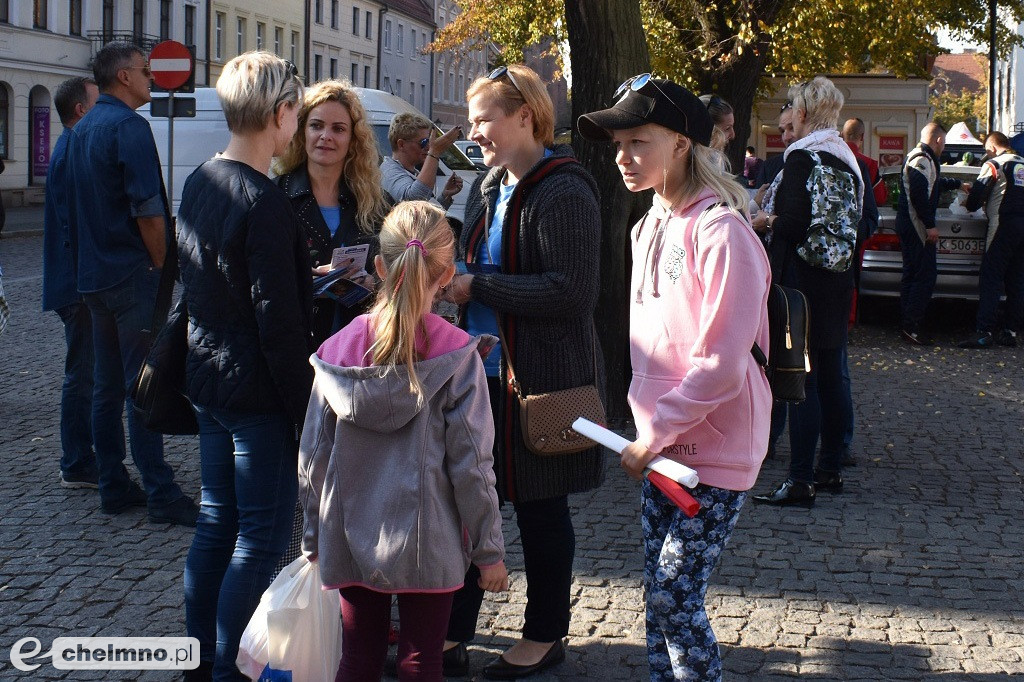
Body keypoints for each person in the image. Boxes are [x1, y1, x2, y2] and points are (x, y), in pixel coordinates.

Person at [578, 74, 772, 682]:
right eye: (617, 143)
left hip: (710, 450)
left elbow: (719, 365)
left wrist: (652, 431)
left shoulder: (723, 234)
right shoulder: (646, 228)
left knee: (673, 598)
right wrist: (648, 430)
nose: (623, 156)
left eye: (638, 140)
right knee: (656, 605)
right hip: (659, 449)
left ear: (682, 142)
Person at [300, 200, 507, 682]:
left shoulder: (334, 351)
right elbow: (473, 464)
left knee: (356, 660)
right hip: (429, 538)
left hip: (348, 531)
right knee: (422, 661)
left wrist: (313, 537)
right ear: (448, 274)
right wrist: (488, 550)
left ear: (377, 265)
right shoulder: (458, 355)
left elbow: (312, 458)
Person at [442, 64, 604, 679]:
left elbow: (572, 292)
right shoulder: (491, 185)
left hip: (540, 379)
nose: (473, 131)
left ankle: (544, 634)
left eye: (483, 119)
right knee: (465, 502)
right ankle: (451, 632)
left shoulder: (565, 190)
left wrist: (477, 284)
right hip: (479, 375)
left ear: (526, 118)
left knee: (539, 508)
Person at [177, 52, 313, 682]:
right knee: (257, 541)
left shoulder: (201, 178)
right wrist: (305, 404)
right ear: (281, 114)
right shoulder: (265, 200)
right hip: (255, 392)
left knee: (215, 523)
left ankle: (198, 662)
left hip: (208, 379)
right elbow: (276, 322)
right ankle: (230, 671)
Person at [64, 42, 196, 525]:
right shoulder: (129, 128)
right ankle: (161, 491)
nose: (150, 78)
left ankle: (114, 486)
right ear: (123, 76)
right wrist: (162, 267)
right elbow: (149, 213)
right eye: (144, 70)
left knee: (105, 388)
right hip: (132, 275)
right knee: (145, 383)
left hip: (94, 276)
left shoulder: (81, 130)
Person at [751, 76, 864, 507]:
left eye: (788, 112)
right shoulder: (844, 158)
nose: (785, 122)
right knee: (832, 376)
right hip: (837, 279)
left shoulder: (801, 159)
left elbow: (794, 224)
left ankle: (800, 480)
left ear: (801, 112)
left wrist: (766, 219)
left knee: (802, 380)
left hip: (800, 285)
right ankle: (830, 468)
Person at [275, 79, 389, 344]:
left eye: (338, 129)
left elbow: (399, 271)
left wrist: (375, 282)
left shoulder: (375, 202)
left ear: (353, 139)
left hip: (360, 344)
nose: (325, 136)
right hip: (298, 343)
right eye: (316, 125)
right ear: (302, 131)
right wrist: (308, 280)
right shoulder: (277, 196)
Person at [42, 76, 100, 490]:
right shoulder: (71, 150)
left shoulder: (71, 146)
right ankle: (77, 461)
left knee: (87, 372)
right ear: (81, 110)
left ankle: (82, 456)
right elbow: (71, 227)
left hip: (77, 282)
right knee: (82, 374)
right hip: (77, 286)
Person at [894, 122, 961, 346]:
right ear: (939, 140)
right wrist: (930, 225)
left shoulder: (924, 159)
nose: (944, 147)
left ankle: (908, 325)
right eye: (945, 142)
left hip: (911, 222)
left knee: (913, 274)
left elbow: (933, 183)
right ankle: (911, 326)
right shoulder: (922, 159)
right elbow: (919, 194)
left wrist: (959, 184)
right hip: (916, 225)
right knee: (924, 276)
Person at [958, 131, 1024, 349]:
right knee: (1016, 279)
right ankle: (1010, 331)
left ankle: (984, 331)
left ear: (993, 147)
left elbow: (976, 199)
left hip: (1002, 225)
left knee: (991, 277)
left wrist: (968, 201)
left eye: (987, 151)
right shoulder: (1022, 163)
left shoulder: (994, 164)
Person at [381, 113, 463, 209]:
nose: (428, 147)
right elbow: (413, 203)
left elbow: (425, 215)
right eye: (423, 142)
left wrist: (445, 196)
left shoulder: (409, 171)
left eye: (429, 142)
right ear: (401, 144)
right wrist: (435, 152)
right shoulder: (389, 172)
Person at [842, 117, 888, 206]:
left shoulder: (831, 158)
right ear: (862, 136)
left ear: (842, 135)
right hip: (860, 216)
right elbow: (879, 198)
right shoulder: (870, 164)